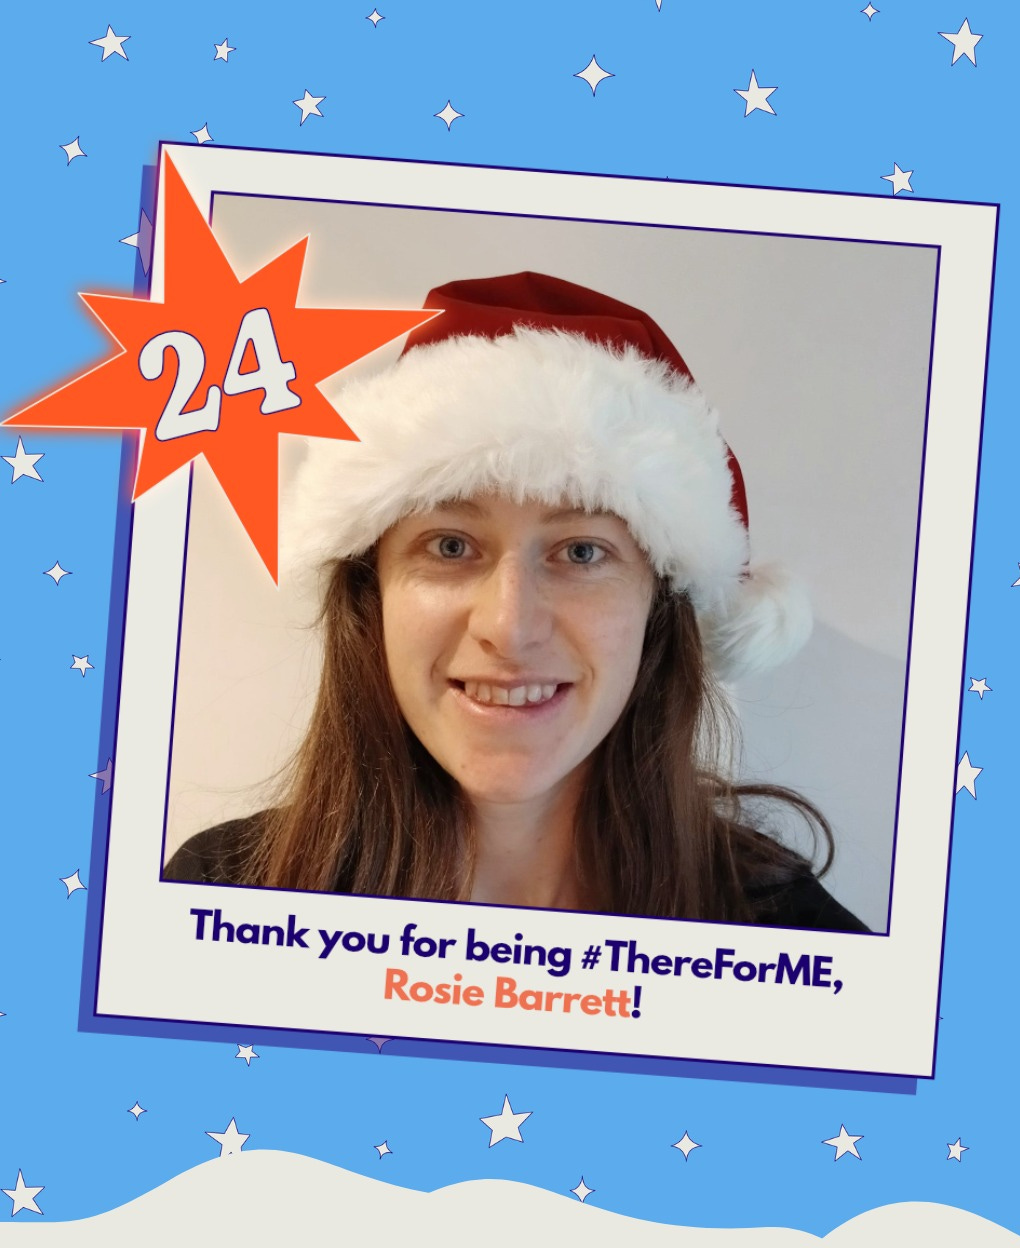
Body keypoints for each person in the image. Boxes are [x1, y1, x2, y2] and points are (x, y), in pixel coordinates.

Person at [165, 272, 868, 933]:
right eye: (449, 546)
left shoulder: (790, 941)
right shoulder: (219, 896)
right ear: (370, 597)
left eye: (582, 552)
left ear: (661, 614)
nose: (509, 625)